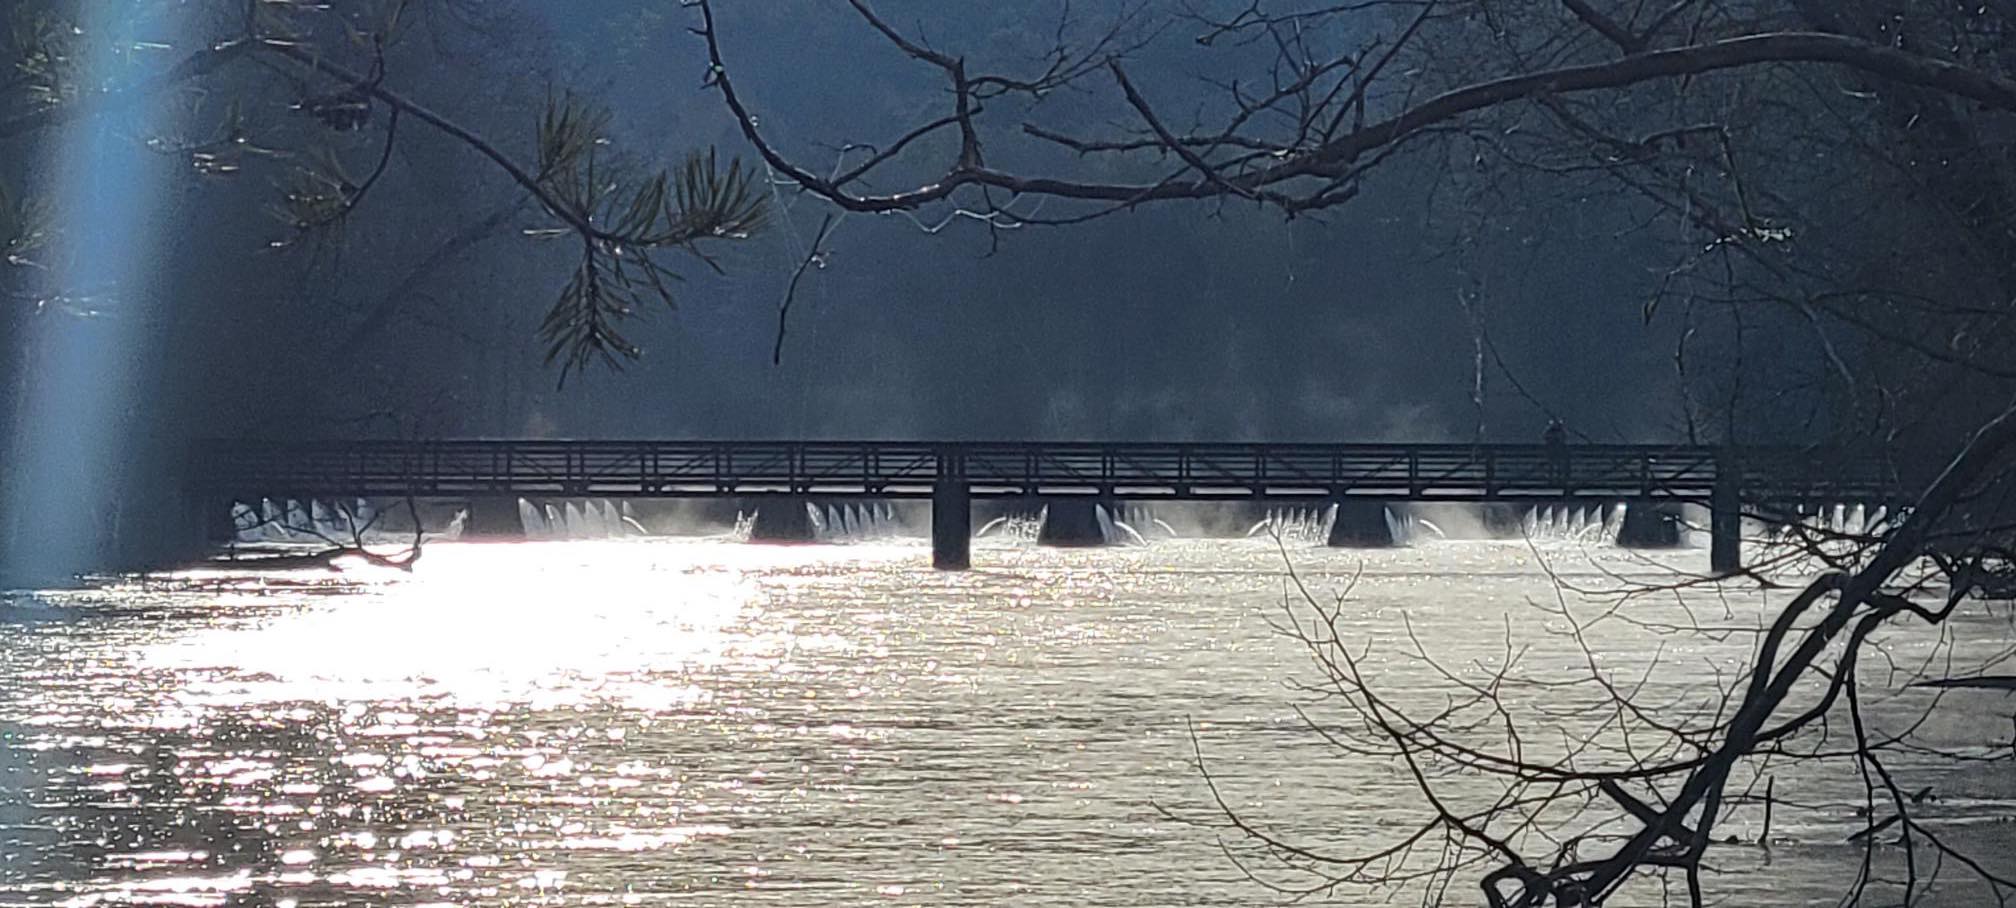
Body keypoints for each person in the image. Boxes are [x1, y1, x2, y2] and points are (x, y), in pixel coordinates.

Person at [1543, 419, 1569, 489]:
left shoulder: (1561, 432)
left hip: (1559, 451)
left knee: (1559, 466)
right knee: (1551, 466)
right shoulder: (1549, 432)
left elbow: (1565, 437)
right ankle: (1551, 479)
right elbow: (1545, 437)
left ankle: (1559, 479)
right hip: (1552, 451)